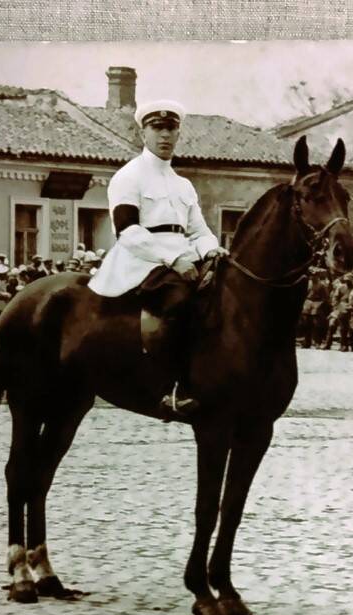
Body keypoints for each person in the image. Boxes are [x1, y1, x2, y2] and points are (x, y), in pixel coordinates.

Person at [87, 99, 228, 420]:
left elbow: (199, 230)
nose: (165, 135)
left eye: (171, 129)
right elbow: (128, 230)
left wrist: (210, 249)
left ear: (179, 134)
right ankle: (171, 387)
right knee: (178, 300)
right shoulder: (129, 176)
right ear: (143, 133)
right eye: (157, 128)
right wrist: (174, 258)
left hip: (184, 257)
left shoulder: (183, 185)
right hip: (140, 259)